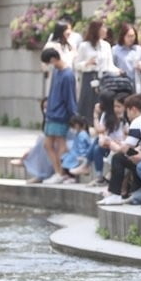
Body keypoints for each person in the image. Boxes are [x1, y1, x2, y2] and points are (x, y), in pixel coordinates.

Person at [99, 93, 141, 205]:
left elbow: (125, 149)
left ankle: (115, 194)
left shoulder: (138, 122)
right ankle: (135, 192)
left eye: (127, 111)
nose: (127, 115)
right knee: (131, 157)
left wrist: (111, 144)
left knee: (119, 158)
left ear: (133, 109)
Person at [41, 48, 77, 184]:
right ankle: (60, 172)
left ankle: (61, 172)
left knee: (59, 144)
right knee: (48, 144)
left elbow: (70, 97)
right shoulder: (56, 71)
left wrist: (72, 116)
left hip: (61, 115)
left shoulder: (68, 75)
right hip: (52, 113)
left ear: (53, 59)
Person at [74, 20, 120, 119]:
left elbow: (109, 65)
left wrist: (118, 71)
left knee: (102, 103)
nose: (105, 30)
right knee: (87, 103)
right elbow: (76, 65)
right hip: (89, 77)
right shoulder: (84, 46)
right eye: (103, 28)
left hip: (104, 77)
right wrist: (87, 63)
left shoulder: (106, 45)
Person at [13, 99, 55, 184]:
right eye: (44, 108)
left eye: (47, 107)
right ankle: (28, 161)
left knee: (43, 140)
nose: (45, 110)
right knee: (42, 140)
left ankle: (39, 173)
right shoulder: (47, 122)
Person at [60, 115, 92, 184]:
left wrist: (82, 156)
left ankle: (72, 177)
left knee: (69, 160)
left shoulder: (82, 135)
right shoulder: (79, 133)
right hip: (75, 152)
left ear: (77, 125)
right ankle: (67, 175)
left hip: (78, 154)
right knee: (64, 158)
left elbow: (82, 147)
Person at [112, 25, 141, 92]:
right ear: (123, 36)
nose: (131, 38)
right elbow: (111, 66)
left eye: (133, 36)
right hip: (121, 83)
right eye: (129, 36)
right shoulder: (115, 49)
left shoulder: (138, 49)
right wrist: (118, 71)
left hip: (137, 83)